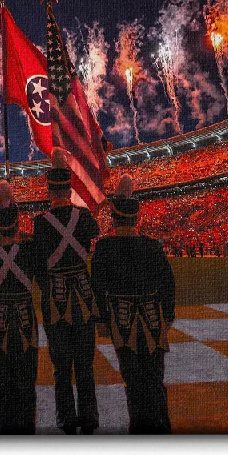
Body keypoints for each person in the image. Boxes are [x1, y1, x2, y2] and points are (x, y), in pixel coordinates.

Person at [91, 176, 175, 435]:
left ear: (114, 219)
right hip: (152, 322)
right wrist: (167, 317)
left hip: (122, 322)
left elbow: (98, 288)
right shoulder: (151, 246)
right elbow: (168, 284)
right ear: (136, 218)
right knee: (155, 380)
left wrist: (103, 320)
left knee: (134, 381)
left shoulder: (104, 248)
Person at [32, 148, 100, 436]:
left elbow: (38, 269)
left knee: (61, 368)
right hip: (83, 298)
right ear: (69, 186)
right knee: (85, 365)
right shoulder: (85, 219)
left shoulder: (40, 224)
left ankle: (65, 419)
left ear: (50, 188)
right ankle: (90, 418)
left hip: (55, 300)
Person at [0, 181, 39, 435]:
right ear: (17, 221)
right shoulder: (29, 250)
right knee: (27, 380)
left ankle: (5, 426)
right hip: (26, 321)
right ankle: (27, 426)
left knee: (3, 380)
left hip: (0, 323)